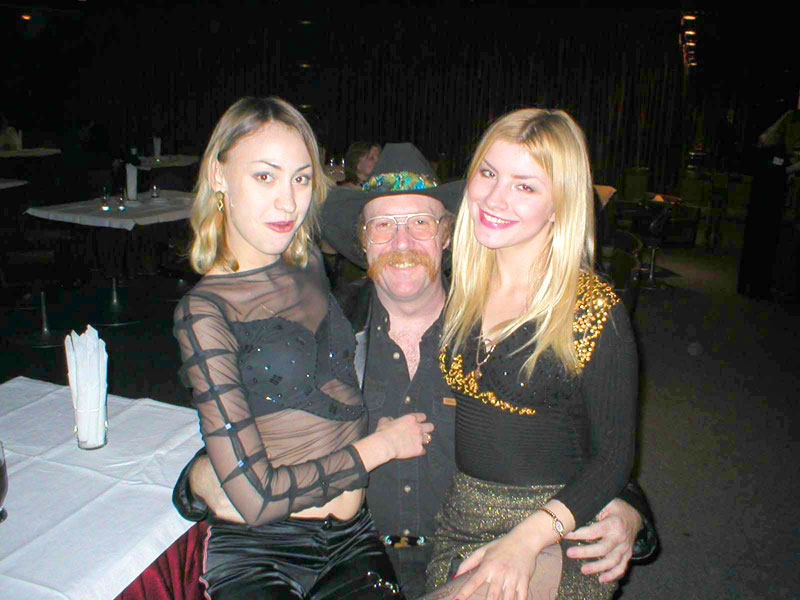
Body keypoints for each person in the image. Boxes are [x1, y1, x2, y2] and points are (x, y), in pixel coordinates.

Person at [175, 143, 658, 599]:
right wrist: (203, 477)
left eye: (421, 223)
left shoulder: (494, 335)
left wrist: (629, 511)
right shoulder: (319, 331)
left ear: (446, 236)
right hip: (351, 562)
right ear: (363, 242)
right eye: (382, 226)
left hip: (477, 557)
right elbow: (247, 434)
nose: (401, 242)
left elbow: (580, 439)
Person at [172, 98, 435, 599]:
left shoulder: (308, 263)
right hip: (264, 550)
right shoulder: (206, 311)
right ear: (219, 175)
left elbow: (325, 391)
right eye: (265, 177)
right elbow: (253, 497)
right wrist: (380, 446)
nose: (288, 204)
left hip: (354, 539)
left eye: (301, 179)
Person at [423, 108, 639, 600]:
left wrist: (527, 538)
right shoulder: (464, 289)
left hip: (559, 525)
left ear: (560, 205)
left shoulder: (591, 309)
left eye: (525, 186)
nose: (494, 197)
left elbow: (614, 457)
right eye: (488, 173)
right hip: (462, 517)